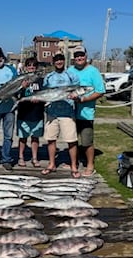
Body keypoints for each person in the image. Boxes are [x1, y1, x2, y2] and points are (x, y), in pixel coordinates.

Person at [41, 52, 81, 178]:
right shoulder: (48, 77)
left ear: (64, 61)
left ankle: (74, 166)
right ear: (53, 62)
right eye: (56, 60)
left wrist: (76, 96)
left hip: (67, 113)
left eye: (61, 59)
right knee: (51, 139)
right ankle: (52, 164)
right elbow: (44, 92)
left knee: (71, 140)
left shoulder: (71, 75)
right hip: (52, 113)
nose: (59, 62)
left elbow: (79, 91)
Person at [68, 45, 105, 176]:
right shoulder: (69, 70)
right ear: (74, 58)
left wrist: (84, 99)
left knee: (86, 141)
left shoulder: (93, 71)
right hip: (70, 112)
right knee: (72, 140)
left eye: (81, 55)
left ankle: (90, 164)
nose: (79, 57)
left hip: (86, 113)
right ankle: (74, 162)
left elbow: (100, 91)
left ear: (86, 56)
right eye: (77, 56)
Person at [16, 57, 44, 167]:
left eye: (33, 65)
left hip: (37, 113)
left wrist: (40, 99)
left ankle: (34, 158)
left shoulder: (40, 80)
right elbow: (16, 94)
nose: (31, 67)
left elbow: (45, 94)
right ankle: (21, 157)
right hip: (24, 112)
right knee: (22, 137)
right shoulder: (21, 80)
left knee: (35, 137)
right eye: (29, 65)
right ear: (26, 67)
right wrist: (22, 88)